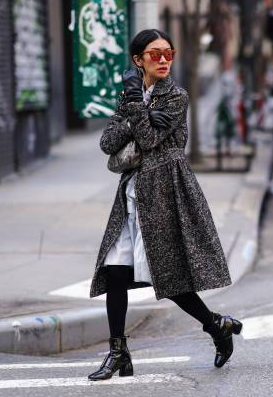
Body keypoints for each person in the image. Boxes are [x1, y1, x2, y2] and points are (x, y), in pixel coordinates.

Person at [88, 29, 243, 381]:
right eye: (154, 54)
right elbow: (107, 142)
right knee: (115, 271)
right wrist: (135, 111)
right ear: (138, 60)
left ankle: (217, 325)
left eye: (168, 53)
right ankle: (118, 353)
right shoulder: (130, 95)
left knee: (170, 278)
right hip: (131, 193)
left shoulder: (177, 97)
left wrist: (133, 112)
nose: (163, 60)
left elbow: (148, 137)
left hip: (167, 192)